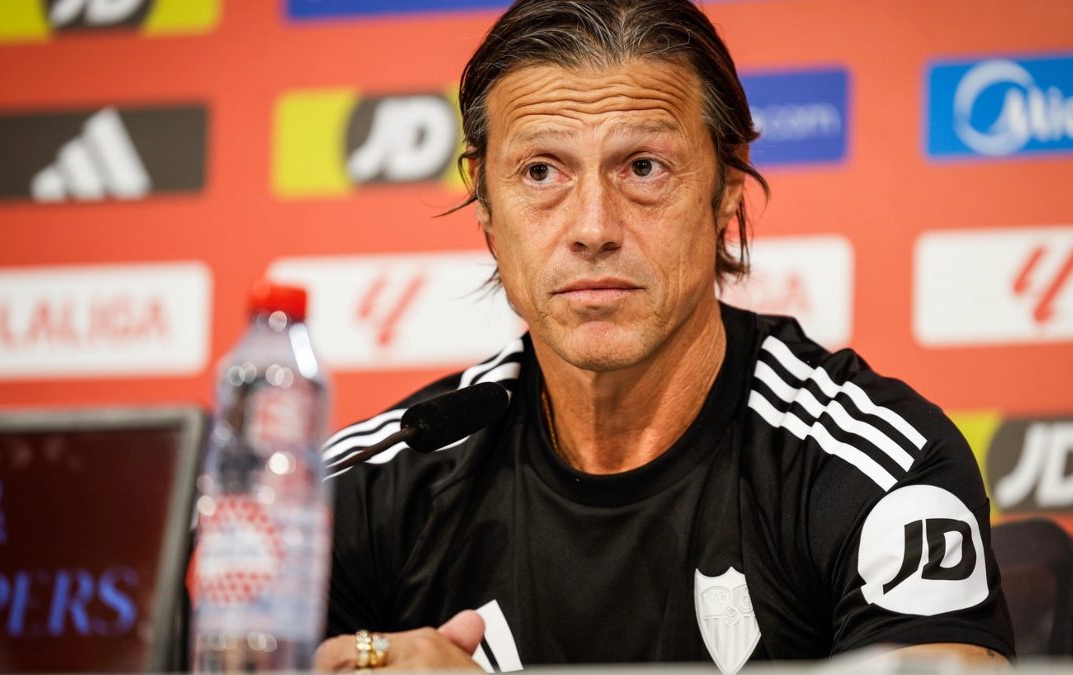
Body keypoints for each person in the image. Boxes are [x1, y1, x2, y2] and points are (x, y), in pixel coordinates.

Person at [314, 0, 1014, 672]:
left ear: (727, 188)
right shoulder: (363, 491)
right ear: (487, 206)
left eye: (643, 167)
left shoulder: (874, 467)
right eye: (540, 171)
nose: (593, 227)